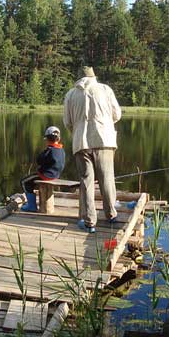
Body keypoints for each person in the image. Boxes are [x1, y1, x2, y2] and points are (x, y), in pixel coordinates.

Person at [63, 66, 121, 233]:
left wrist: (78, 129)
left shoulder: (70, 94)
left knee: (86, 181)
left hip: (80, 142)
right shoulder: (105, 89)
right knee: (107, 179)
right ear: (93, 76)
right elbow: (117, 114)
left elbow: (67, 122)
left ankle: (90, 222)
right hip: (104, 140)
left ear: (79, 77)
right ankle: (111, 215)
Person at [20, 125, 65, 212]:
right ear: (58, 138)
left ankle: (31, 206)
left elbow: (39, 160)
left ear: (48, 139)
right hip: (56, 175)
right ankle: (32, 203)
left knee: (24, 182)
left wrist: (45, 151)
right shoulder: (61, 150)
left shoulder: (49, 150)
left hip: (46, 175)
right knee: (31, 181)